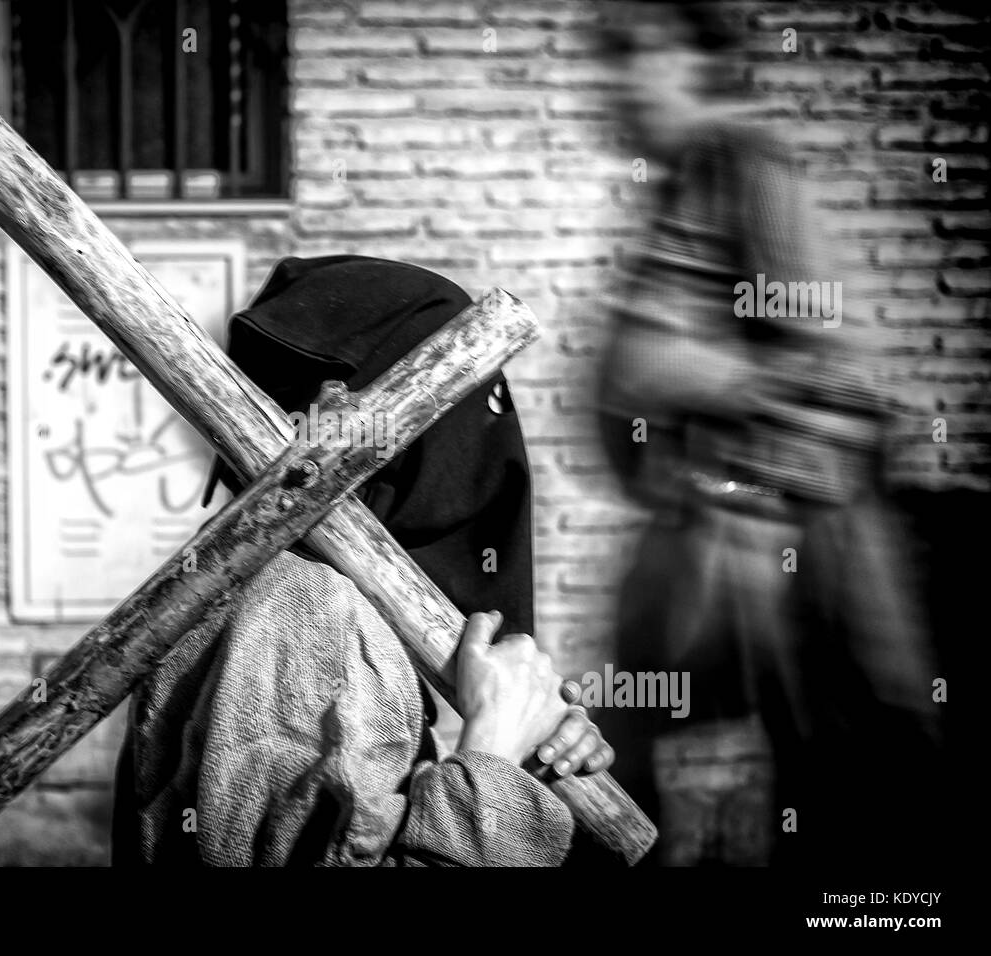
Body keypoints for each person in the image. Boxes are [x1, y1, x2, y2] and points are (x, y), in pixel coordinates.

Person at [112, 256, 613, 866]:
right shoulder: (304, 620)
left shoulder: (297, 600)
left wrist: (529, 757)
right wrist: (495, 761)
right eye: (473, 407)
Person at [594, 2, 942, 866]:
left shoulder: (744, 162)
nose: (616, 81)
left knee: (811, 802)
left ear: (702, 62)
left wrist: (745, 507)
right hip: (720, 548)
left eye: (639, 54)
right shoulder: (690, 179)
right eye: (609, 58)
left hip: (766, 554)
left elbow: (836, 371)